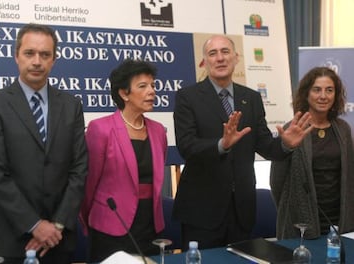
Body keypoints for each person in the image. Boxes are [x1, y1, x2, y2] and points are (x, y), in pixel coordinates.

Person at [172, 35, 313, 250]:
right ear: (204, 61)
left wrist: (286, 144)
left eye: (225, 52)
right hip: (201, 212)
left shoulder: (252, 98)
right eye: (213, 53)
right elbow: (186, 146)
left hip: (242, 210)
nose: (220, 58)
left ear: (236, 58)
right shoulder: (187, 97)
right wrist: (222, 144)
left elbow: (265, 145)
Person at [0, 23, 88, 264]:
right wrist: (35, 225)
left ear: (54, 60)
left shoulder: (72, 106)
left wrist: (55, 226)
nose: (37, 61)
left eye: (45, 54)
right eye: (29, 53)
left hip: (58, 240)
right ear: (16, 56)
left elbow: (79, 169)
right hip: (12, 239)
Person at [79, 59, 167, 262]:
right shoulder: (100, 129)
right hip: (110, 226)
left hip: (149, 226)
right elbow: (88, 184)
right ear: (123, 93)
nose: (152, 91)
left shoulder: (158, 131)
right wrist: (90, 219)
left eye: (153, 85)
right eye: (143, 86)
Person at [270, 66, 354, 239]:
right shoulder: (292, 129)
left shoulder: (343, 129)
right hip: (301, 223)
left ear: (335, 95)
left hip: (341, 221)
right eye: (317, 90)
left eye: (329, 90)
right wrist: (292, 212)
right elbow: (277, 181)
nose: (323, 96)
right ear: (306, 94)